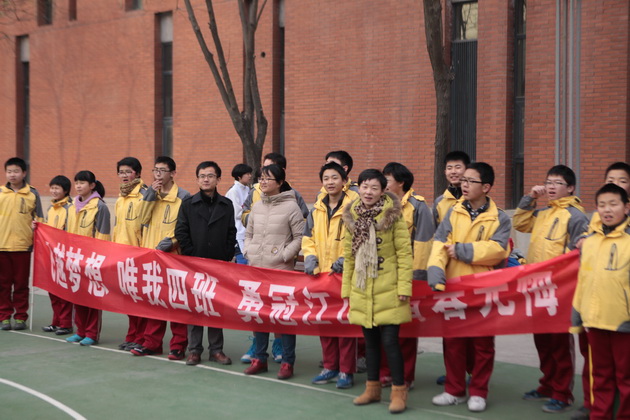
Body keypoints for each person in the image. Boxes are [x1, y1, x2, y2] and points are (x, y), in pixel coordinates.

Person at [429, 162, 511, 413]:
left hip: (483, 290)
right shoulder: (453, 212)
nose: (463, 184)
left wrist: (463, 250)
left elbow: (498, 250)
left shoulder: (500, 217)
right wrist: (436, 271)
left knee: (482, 345)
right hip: (454, 288)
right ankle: (454, 390)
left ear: (486, 187)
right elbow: (439, 243)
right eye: (463, 180)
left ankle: (478, 391)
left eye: (470, 181)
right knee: (453, 343)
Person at [513, 165, 589, 414]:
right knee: (542, 340)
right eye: (548, 182)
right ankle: (547, 384)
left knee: (559, 343)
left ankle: (562, 393)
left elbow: (577, 255)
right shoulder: (544, 212)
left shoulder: (576, 216)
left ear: (571, 188)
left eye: (557, 183)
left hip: (559, 290)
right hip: (537, 287)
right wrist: (530, 198)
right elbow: (520, 223)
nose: (551, 187)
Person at [341, 169, 413, 414]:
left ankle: (399, 391)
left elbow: (404, 253)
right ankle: (372, 389)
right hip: (363, 286)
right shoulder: (351, 216)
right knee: (370, 343)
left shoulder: (393, 215)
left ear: (383, 191)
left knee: (390, 342)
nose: (368, 192)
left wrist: (404, 287)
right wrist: (347, 289)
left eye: (374, 187)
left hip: (389, 287)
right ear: (358, 188)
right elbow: (349, 256)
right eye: (364, 186)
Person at [571, 161, 630, 420]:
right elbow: (583, 281)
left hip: (623, 323)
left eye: (613, 204)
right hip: (594, 321)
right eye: (602, 205)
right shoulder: (590, 242)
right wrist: (577, 317)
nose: (607, 210)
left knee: (626, 378)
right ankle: (600, 415)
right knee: (601, 375)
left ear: (626, 207)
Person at [240, 152, 308, 363]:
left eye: (267, 179)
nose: (262, 182)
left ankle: (286, 357)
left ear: (279, 182)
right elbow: (248, 233)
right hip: (257, 269)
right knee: (258, 314)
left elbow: (300, 237)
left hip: (280, 271)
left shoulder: (292, 206)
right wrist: (249, 251)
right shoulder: (257, 206)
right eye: (261, 178)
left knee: (282, 315)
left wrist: (284, 255)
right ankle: (259, 356)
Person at [379, 162, 435, 389]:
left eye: (387, 180)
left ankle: (405, 376)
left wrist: (416, 279)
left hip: (406, 277)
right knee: (383, 327)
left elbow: (423, 245)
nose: (383, 185)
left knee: (405, 332)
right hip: (383, 276)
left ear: (401, 183)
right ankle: (385, 373)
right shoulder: (380, 203)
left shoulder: (418, 207)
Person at [303, 162, 358, 389]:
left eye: (335, 178)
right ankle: (329, 367)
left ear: (344, 181)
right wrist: (310, 258)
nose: (330, 182)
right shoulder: (316, 209)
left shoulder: (354, 208)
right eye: (326, 178)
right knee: (324, 323)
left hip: (345, 276)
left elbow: (360, 238)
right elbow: (308, 238)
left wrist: (346, 259)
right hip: (322, 276)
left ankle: (346, 371)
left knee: (345, 325)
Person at [175, 161, 236, 366]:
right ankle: (194, 350)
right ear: (197, 180)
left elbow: (231, 232)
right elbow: (181, 231)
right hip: (194, 264)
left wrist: (226, 254)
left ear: (218, 179)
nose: (206, 179)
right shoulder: (188, 204)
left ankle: (216, 350)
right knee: (195, 307)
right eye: (202, 176)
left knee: (215, 307)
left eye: (210, 176)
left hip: (218, 264)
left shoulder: (226, 205)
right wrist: (191, 254)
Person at [131, 157, 190, 361]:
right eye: (155, 170)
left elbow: (185, 228)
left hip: (173, 259)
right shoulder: (149, 194)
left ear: (172, 174)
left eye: (162, 170)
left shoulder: (183, 197)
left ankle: (178, 346)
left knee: (175, 303)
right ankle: (151, 343)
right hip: (151, 258)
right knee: (153, 302)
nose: (158, 174)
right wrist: (150, 195)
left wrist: (172, 242)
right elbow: (140, 221)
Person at [65, 171, 111, 346]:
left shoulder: (100, 207)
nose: (78, 186)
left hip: (92, 260)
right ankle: (80, 331)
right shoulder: (71, 207)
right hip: (74, 258)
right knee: (78, 296)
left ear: (92, 185)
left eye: (82, 182)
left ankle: (92, 333)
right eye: (76, 182)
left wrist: (98, 259)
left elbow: (103, 235)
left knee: (92, 298)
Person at [0, 157, 44, 331]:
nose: (12, 175)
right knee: (3, 285)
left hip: (23, 246)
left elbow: (40, 219)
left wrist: (37, 228)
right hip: (2, 245)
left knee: (21, 284)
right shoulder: (1, 192)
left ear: (24, 173)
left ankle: (20, 317)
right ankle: (4, 317)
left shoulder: (33, 193)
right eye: (9, 171)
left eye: (16, 171)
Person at [111, 157, 148, 352]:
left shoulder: (144, 195)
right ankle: (132, 334)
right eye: (121, 172)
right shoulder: (120, 199)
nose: (124, 175)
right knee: (128, 299)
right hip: (121, 256)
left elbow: (146, 227)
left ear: (138, 173)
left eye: (128, 172)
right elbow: (118, 228)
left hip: (139, 257)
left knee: (140, 300)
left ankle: (141, 337)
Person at [41, 175, 74, 335]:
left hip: (64, 255)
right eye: (52, 188)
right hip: (51, 255)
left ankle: (66, 323)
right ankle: (56, 321)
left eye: (57, 188)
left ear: (65, 190)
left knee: (64, 291)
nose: (54, 191)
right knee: (53, 290)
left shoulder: (70, 208)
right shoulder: (51, 208)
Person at [432, 151, 470, 227]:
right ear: (445, 172)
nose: (453, 172)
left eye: (458, 167)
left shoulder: (474, 199)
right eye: (449, 168)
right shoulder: (439, 202)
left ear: (467, 170)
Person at [224, 163, 252, 266]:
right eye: (247, 174)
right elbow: (237, 213)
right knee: (242, 260)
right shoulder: (233, 191)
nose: (250, 176)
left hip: (248, 229)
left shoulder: (248, 189)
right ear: (239, 176)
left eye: (250, 173)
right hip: (238, 231)